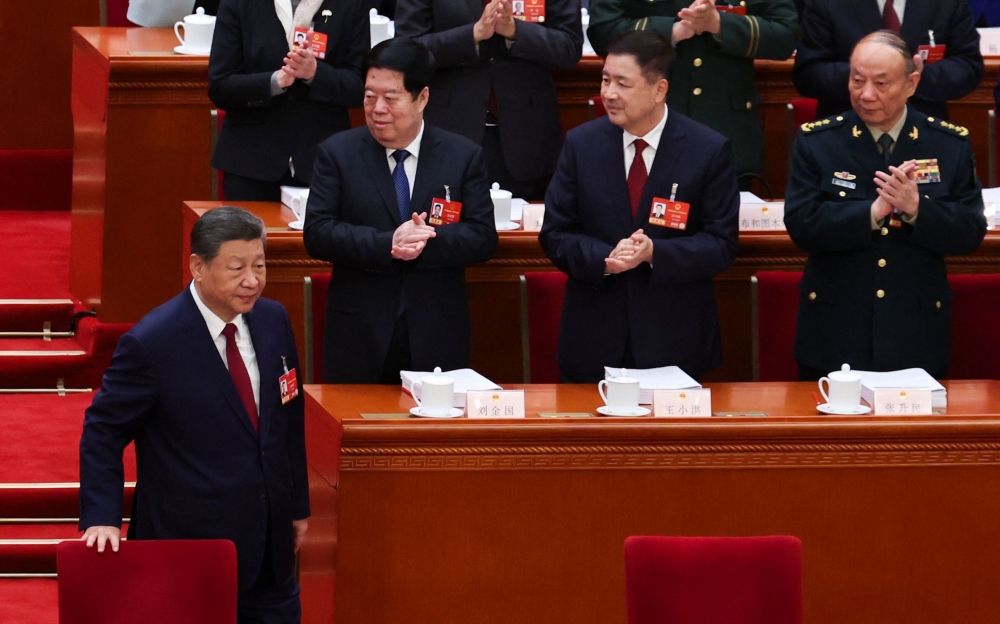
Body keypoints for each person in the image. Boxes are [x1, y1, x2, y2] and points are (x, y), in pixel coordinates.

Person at [79, 207, 310, 623]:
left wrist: (297, 506)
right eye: (237, 267)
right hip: (189, 545)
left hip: (270, 549)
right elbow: (103, 430)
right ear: (198, 267)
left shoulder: (274, 319)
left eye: (259, 265)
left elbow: (289, 419)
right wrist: (102, 516)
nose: (253, 280)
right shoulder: (153, 343)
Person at [785, 31, 987, 380]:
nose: (866, 94)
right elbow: (802, 223)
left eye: (881, 83)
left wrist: (917, 209)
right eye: (857, 80)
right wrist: (871, 212)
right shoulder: (818, 141)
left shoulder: (946, 142)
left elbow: (970, 231)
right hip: (834, 331)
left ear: (911, 83)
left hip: (916, 331)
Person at [540, 30, 739, 384]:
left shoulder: (706, 149)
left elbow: (720, 244)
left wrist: (654, 253)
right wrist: (605, 257)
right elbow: (556, 233)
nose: (609, 94)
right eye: (605, 80)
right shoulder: (581, 144)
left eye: (622, 83)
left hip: (674, 337)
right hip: (593, 337)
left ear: (659, 89)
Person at [303, 39, 498, 384]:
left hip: (437, 327)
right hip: (358, 329)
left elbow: (482, 236)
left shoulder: (461, 155)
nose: (377, 108)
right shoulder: (338, 154)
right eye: (369, 96)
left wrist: (424, 241)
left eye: (390, 98)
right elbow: (318, 232)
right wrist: (388, 242)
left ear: (422, 97)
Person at [587, 0, 798, 183]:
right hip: (648, 124)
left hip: (727, 125)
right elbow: (603, 31)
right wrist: (673, 31)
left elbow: (786, 35)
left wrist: (719, 24)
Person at [394, 0, 583, 201]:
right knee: (446, 227)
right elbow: (407, 49)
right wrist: (473, 34)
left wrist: (514, 31)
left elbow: (569, 47)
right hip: (451, 128)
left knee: (527, 226)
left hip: (527, 133)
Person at [208, 0, 369, 201]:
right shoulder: (239, 3)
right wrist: (274, 81)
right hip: (250, 162)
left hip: (321, 161)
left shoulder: (351, 4)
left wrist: (315, 74)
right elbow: (220, 86)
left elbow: (358, 88)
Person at [794, 0, 984, 121]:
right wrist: (867, 79)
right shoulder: (826, 3)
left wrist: (909, 78)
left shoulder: (947, 4)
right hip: (845, 139)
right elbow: (808, 73)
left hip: (925, 138)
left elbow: (968, 66)